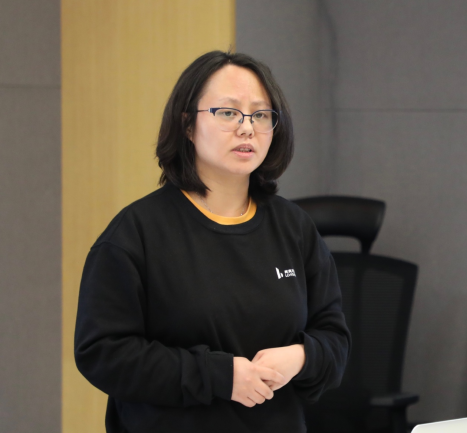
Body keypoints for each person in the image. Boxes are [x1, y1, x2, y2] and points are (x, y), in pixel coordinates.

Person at [74, 50, 351, 433]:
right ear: (187, 125)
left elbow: (335, 340)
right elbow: (102, 353)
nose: (247, 128)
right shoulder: (136, 233)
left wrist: (302, 357)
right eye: (228, 112)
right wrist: (218, 375)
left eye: (261, 115)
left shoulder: (294, 227)